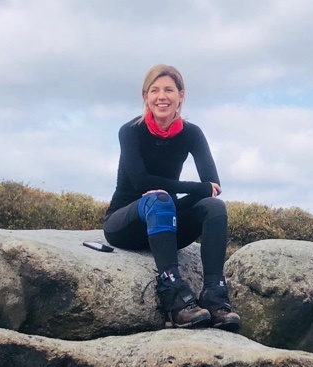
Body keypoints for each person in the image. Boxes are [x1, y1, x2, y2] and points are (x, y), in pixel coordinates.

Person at [103, 64, 241, 332]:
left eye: (168, 90)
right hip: (126, 223)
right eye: (154, 90)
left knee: (214, 207)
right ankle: (174, 296)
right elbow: (141, 182)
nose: (161, 96)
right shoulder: (130, 131)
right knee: (160, 200)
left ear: (181, 95)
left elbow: (213, 187)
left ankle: (214, 295)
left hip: (165, 225)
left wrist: (201, 190)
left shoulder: (191, 133)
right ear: (145, 96)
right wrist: (197, 188)